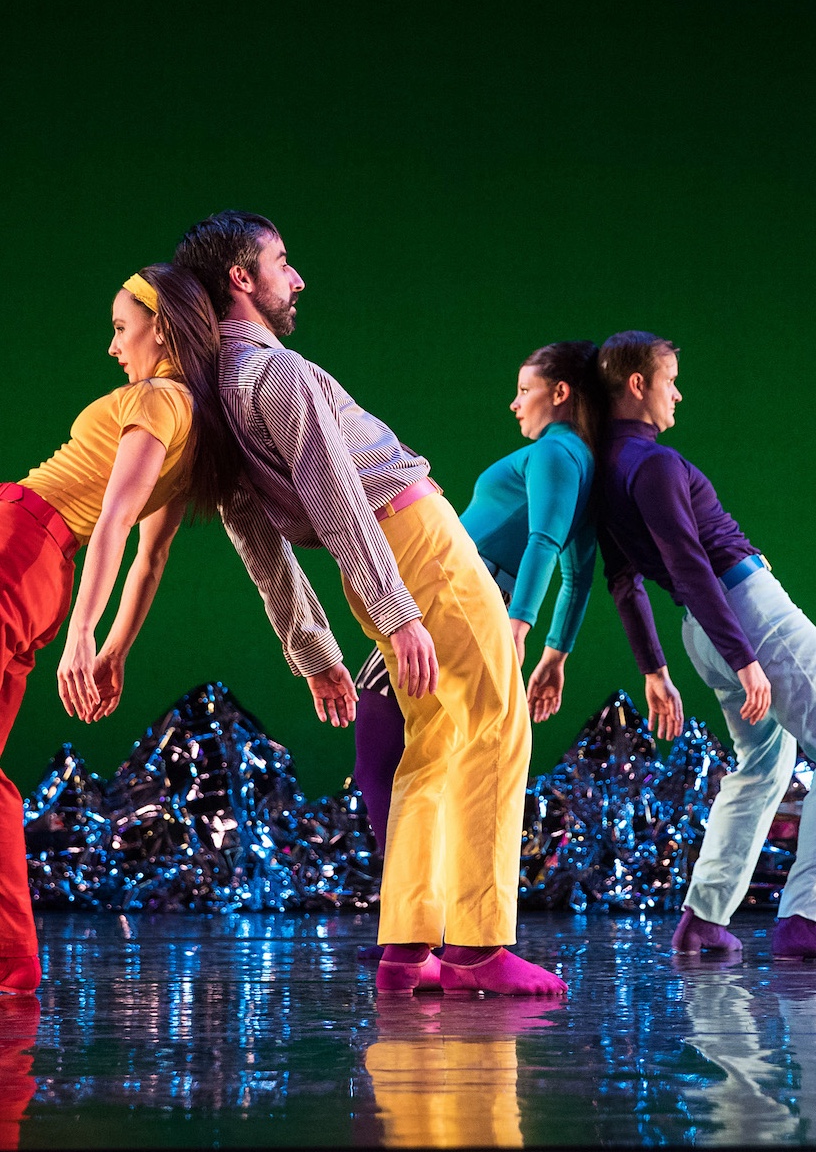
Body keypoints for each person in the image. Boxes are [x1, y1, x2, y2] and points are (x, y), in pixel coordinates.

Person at [174, 211, 564, 996]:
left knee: (436, 738)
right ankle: (478, 947)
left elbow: (258, 540)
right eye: (283, 262)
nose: (298, 278)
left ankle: (407, 945)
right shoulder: (273, 374)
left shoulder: (218, 395)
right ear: (241, 280)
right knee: (493, 723)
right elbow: (336, 491)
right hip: (412, 544)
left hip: (381, 562)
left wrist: (313, 645)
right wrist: (397, 608)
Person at [595, 331, 816, 962]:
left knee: (763, 766)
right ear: (638, 385)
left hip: (703, 628)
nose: (678, 392)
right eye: (670, 379)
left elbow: (624, 581)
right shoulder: (654, 463)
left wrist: (655, 669)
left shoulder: (604, 470)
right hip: (743, 614)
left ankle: (704, 919)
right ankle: (809, 917)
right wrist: (747, 657)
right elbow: (689, 562)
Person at [1, 264, 232, 994]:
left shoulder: (159, 398)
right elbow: (151, 557)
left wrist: (84, 635)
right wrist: (114, 649)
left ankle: (12, 961)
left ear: (160, 328)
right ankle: (12, 962)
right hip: (40, 561)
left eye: (120, 327)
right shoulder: (193, 421)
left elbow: (117, 521)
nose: (112, 346)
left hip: (23, 543)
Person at [353, 341, 602, 851]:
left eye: (524, 391)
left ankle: (411, 899)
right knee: (434, 752)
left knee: (381, 751)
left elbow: (544, 543)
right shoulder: (584, 463)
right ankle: (426, 900)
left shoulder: (556, 450)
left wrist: (518, 625)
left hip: (451, 594)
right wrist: (556, 654)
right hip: (472, 596)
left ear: (560, 393)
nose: (515, 404)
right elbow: (578, 574)